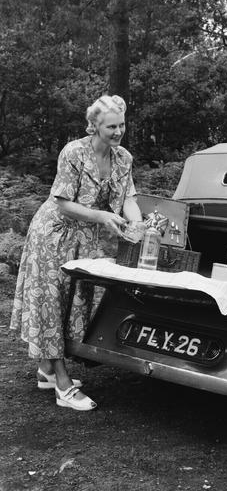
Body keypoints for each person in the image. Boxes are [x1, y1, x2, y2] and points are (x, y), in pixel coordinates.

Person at [10, 94, 142, 411]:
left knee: (71, 302)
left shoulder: (123, 158)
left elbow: (128, 200)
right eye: (111, 126)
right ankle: (63, 385)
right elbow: (62, 201)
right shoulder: (74, 152)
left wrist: (137, 225)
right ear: (94, 126)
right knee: (50, 304)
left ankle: (46, 370)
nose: (118, 131)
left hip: (83, 238)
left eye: (122, 125)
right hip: (52, 235)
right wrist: (101, 217)